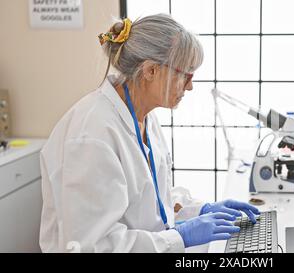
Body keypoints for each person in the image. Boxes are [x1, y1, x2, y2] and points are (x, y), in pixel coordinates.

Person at [39, 14, 260, 253]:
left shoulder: (143, 116)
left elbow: (151, 197)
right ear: (151, 70)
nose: (190, 86)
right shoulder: (91, 135)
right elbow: (93, 246)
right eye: (185, 74)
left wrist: (200, 209)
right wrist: (180, 237)